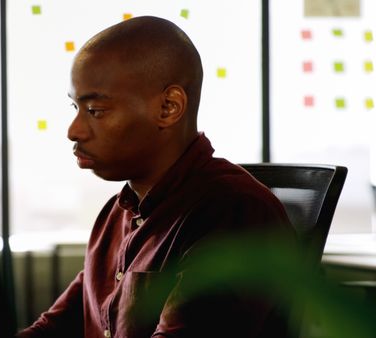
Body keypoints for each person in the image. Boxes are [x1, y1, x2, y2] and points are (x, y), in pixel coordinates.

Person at [18, 16, 294, 337]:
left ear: (168, 107)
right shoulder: (117, 212)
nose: (73, 130)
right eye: (74, 109)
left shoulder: (233, 212)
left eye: (95, 111)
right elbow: (55, 329)